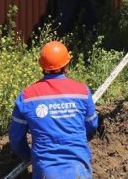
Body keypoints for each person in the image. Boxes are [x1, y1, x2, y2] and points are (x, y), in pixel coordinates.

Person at [9, 41, 99, 179]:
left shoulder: (26, 96)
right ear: (66, 66)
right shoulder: (82, 91)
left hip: (45, 171)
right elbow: (91, 124)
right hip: (79, 168)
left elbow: (16, 139)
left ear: (42, 66)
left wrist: (29, 157)